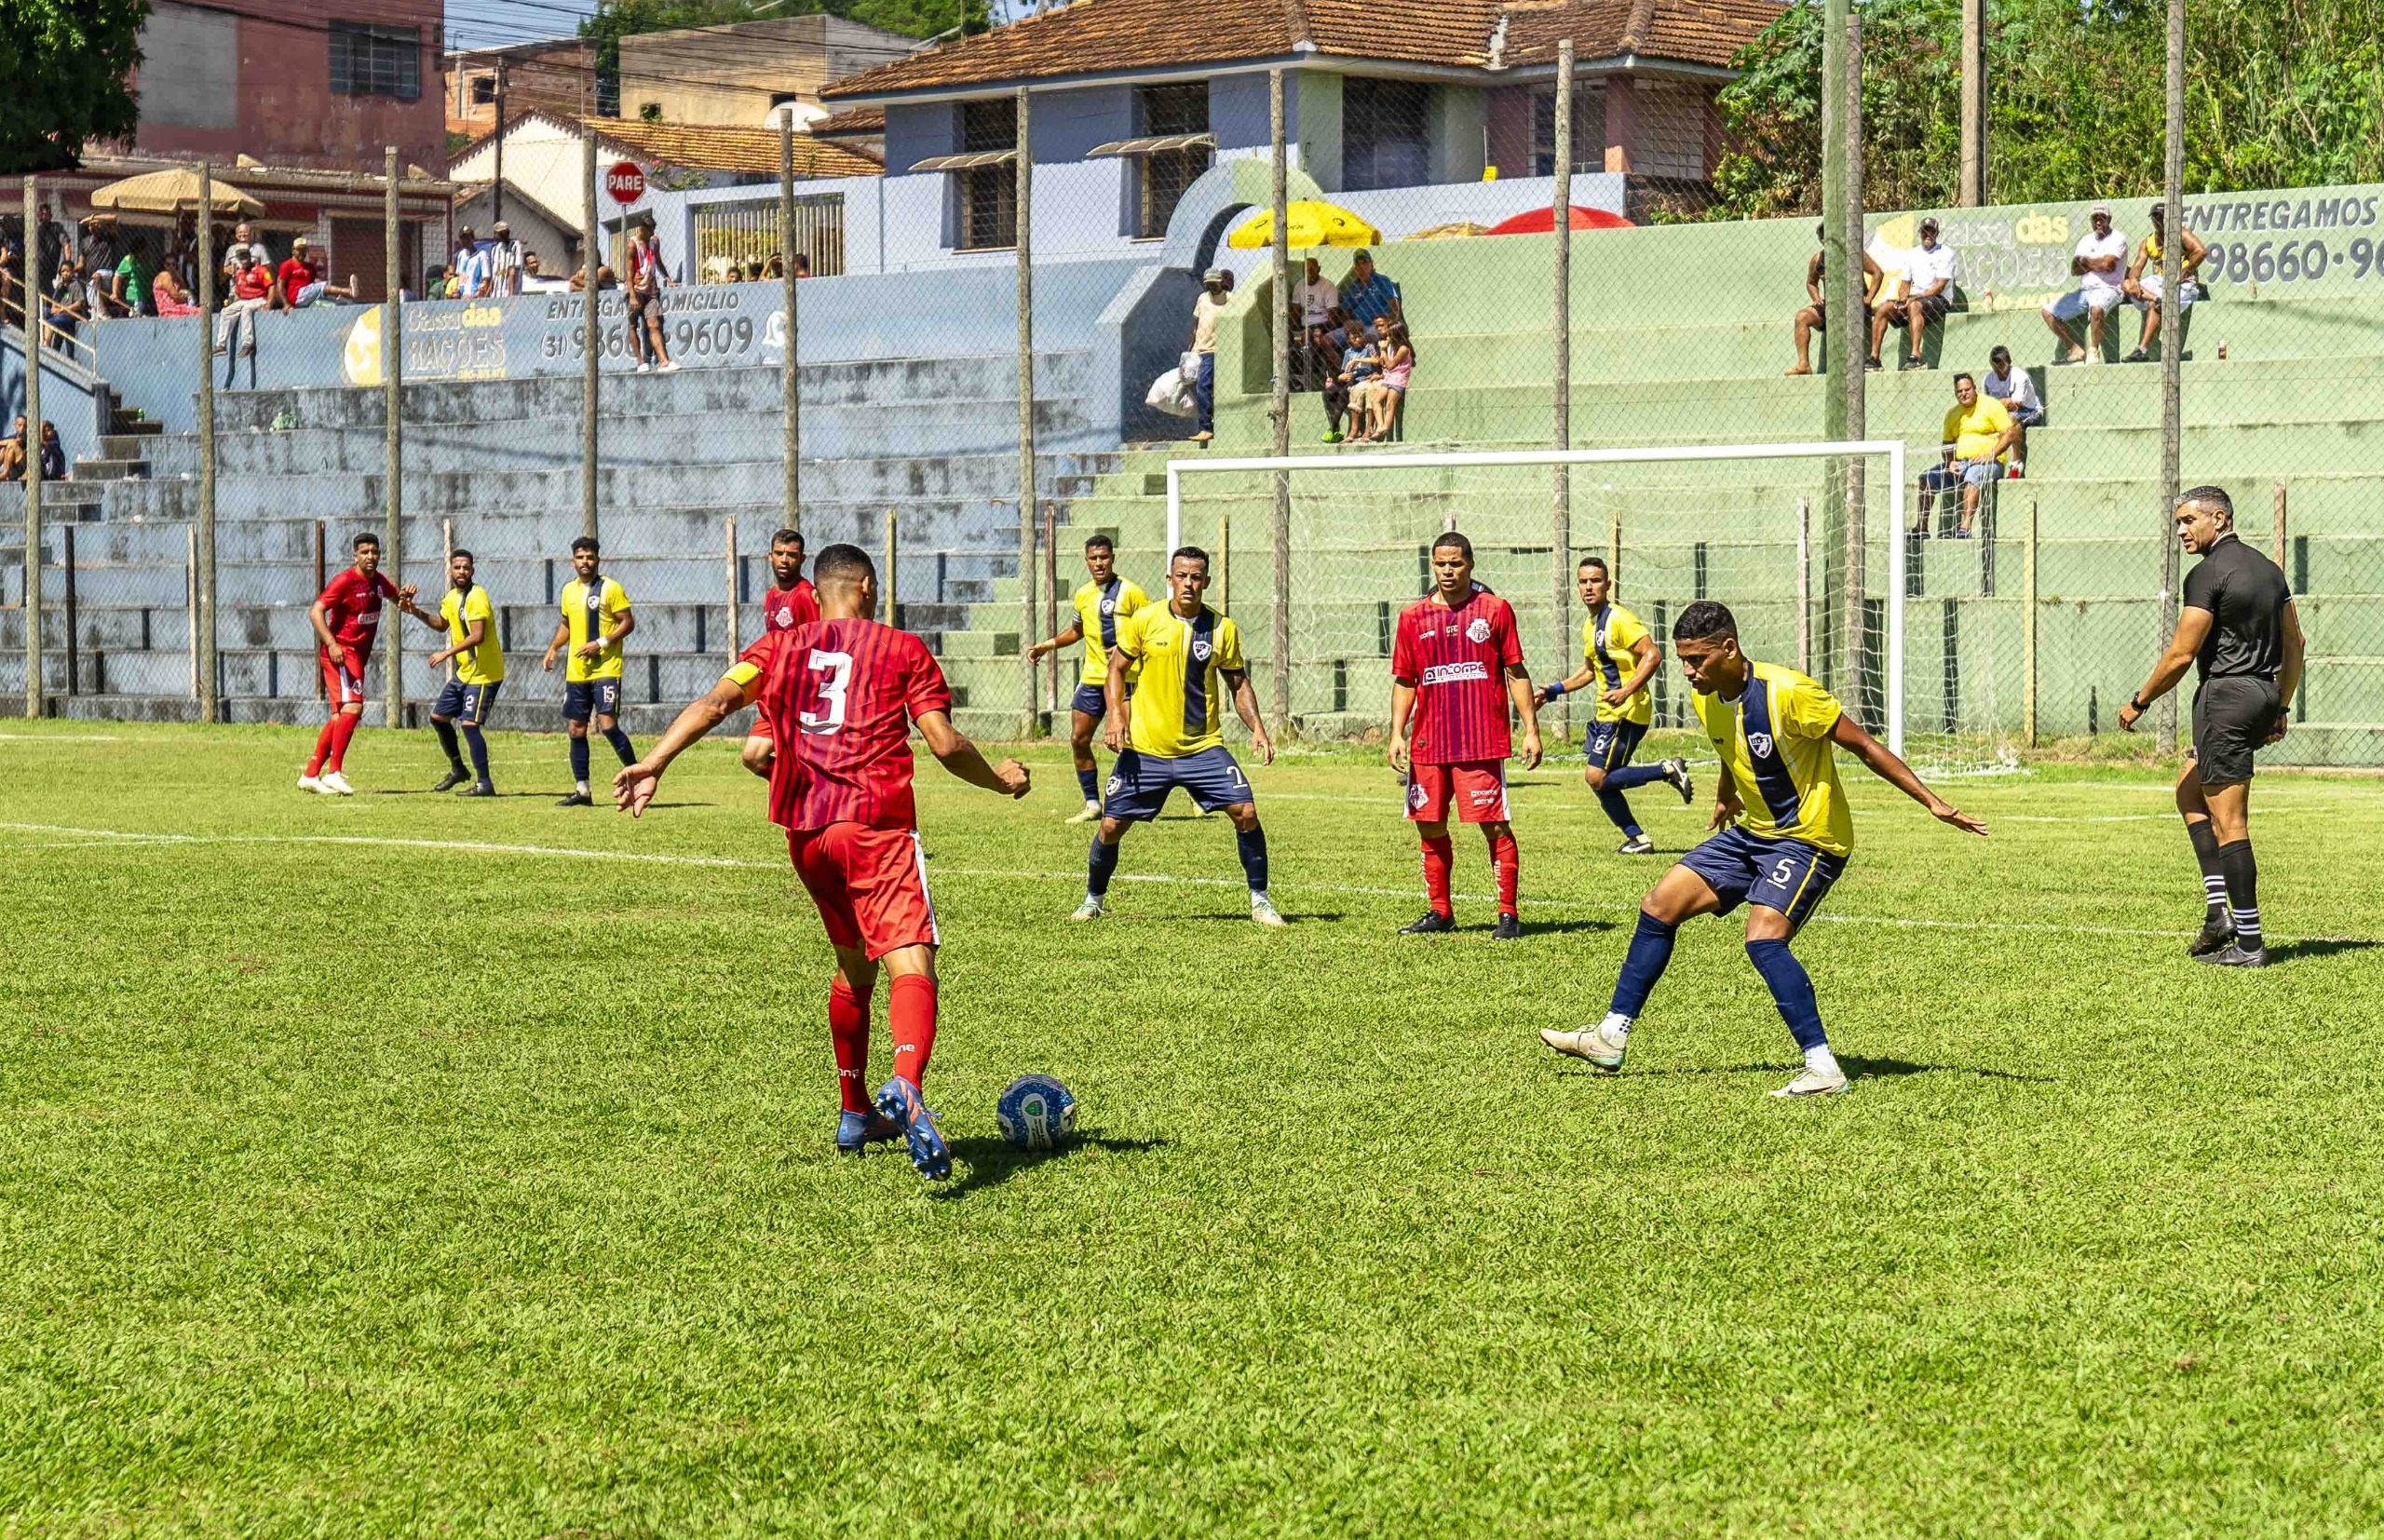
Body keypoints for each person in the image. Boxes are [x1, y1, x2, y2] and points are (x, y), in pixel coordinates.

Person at [616, 543, 1031, 1177]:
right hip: (874, 825)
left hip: (808, 836)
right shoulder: (901, 649)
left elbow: (721, 713)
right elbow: (944, 744)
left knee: (854, 966)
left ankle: (855, 1111)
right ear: (864, 586)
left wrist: (655, 762)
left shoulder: (777, 649)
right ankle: (908, 1083)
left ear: (817, 589)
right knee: (911, 957)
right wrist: (1002, 781)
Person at [1540, 601, 1988, 1097]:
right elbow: (1733, 748)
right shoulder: (1707, 695)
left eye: (1697, 660)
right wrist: (1725, 794)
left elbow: (1864, 746)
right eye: (1683, 660)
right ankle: (1611, 1035)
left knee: (1763, 939)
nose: (1687, 671)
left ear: (1729, 648)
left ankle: (1823, 1068)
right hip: (1753, 834)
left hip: (1809, 839)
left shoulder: (1789, 692)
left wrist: (1934, 803)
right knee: (1658, 905)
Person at [2118, 487, 2303, 967]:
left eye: (2188, 521)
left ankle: (2249, 944)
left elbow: (2181, 653)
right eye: (2178, 523)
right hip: (2262, 693)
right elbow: (2296, 643)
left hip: (2224, 697)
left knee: (2231, 823)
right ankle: (2219, 910)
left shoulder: (2207, 575)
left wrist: (2140, 701)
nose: (2181, 531)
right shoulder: (2269, 569)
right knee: (2188, 789)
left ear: (2218, 519)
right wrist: (2279, 706)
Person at [1074, 546, 1282, 925]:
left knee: (1246, 812)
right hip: (1146, 750)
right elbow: (1115, 670)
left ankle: (1261, 901)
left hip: (1202, 749)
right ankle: (1093, 899)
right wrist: (1117, 717)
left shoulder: (1222, 628)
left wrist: (1259, 730)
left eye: (1196, 576)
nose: (1189, 583)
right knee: (1110, 825)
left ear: (1205, 581)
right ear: (1170, 580)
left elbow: (1238, 683)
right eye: (1181, 576)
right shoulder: (1144, 620)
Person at [1388, 533, 1541, 939]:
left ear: (1470, 564)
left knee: (1494, 825)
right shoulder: (1412, 618)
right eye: (1440, 563)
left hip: (1480, 741)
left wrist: (1530, 729)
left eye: (1455, 563)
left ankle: (1508, 913)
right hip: (1429, 744)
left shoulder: (1494, 610)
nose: (1448, 570)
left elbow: (1515, 672)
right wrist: (1396, 734)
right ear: (1432, 566)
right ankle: (1441, 911)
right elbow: (1405, 680)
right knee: (1430, 825)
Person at [1539, 556, 1693, 854]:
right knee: (1601, 781)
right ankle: (1638, 839)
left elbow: (1652, 655)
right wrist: (1555, 690)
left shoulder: (1619, 619)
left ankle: (1666, 769)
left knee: (1595, 776)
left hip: (1626, 710)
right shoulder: (1590, 624)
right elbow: (1589, 671)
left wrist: (1626, 690)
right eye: (1583, 581)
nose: (1588, 587)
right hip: (1607, 712)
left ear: (1608, 584)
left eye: (1595, 580)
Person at [1028, 534, 1153, 823]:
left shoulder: (1131, 592)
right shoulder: (1083, 594)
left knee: (1129, 742)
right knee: (1078, 739)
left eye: (1104, 557)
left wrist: (1128, 651)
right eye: (1094, 558)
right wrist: (1046, 646)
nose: (1099, 563)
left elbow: (1151, 630)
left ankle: (1131, 800)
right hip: (1092, 679)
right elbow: (1076, 630)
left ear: (1113, 558)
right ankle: (1093, 803)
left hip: (1125, 679)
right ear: (1086, 561)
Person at [302, 533, 426, 795]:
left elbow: (397, 600)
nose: (371, 557)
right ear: (355, 556)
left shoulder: (379, 582)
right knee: (354, 707)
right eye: (365, 552)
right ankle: (334, 772)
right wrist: (332, 643)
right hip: (342, 653)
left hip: (357, 655)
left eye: (374, 552)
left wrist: (405, 597)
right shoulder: (345, 580)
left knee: (339, 716)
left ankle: (310, 775)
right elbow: (316, 611)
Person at [543, 536, 639, 806]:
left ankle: (639, 777)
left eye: (590, 557)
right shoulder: (568, 591)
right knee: (576, 728)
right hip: (576, 671)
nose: (585, 562)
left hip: (606, 667)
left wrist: (602, 643)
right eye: (580, 557)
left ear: (598, 559)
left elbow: (628, 623)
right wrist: (553, 648)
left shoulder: (610, 588)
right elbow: (567, 624)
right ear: (572, 561)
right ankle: (582, 790)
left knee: (607, 725)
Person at [402, 548, 506, 796]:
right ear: (450, 569)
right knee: (438, 718)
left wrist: (445, 654)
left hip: (484, 673)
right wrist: (415, 611)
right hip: (465, 673)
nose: (462, 571)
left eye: (466, 567)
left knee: (469, 725)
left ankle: (485, 784)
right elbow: (442, 624)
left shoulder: (477, 597)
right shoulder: (451, 598)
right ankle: (459, 769)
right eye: (457, 567)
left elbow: (477, 636)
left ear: (473, 570)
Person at [738, 527, 822, 778]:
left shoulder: (806, 596)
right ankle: (803, 786)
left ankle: (811, 794)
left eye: (792, 555)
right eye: (779, 553)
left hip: (802, 694)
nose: (785, 560)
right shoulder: (771, 596)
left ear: (802, 559)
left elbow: (820, 642)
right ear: (769, 556)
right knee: (753, 757)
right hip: (778, 693)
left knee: (803, 755)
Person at [1917, 372, 2019, 539]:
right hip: (1961, 464)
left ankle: (1965, 526)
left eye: (1967, 389)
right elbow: (1947, 444)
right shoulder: (1952, 414)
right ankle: (1921, 528)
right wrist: (1950, 462)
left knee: (1974, 475)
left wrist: (1991, 455)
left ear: (1974, 389)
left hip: (1990, 463)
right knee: (1926, 478)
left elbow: (2009, 434)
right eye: (1959, 391)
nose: (1964, 394)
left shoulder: (1990, 405)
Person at [1788, 221, 1884, 376]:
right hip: (1830, 307)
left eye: (1830, 235)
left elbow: (1877, 273)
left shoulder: (1854, 254)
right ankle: (1803, 365)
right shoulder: (1818, 259)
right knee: (1801, 317)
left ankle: (1861, 364)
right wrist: (1816, 298)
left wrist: (1868, 298)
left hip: (1854, 306)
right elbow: (1811, 283)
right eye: (1823, 236)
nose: (1827, 239)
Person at [2043, 202, 2129, 364]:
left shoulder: (2118, 238)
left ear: (2109, 219)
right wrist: (2097, 262)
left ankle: (2093, 351)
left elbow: (2109, 265)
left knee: (2097, 308)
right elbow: (2075, 269)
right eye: (2095, 218)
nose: (2098, 221)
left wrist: (2087, 262)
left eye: (2102, 218)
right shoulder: (2085, 240)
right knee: (2048, 311)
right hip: (2084, 291)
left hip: (2109, 288)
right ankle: (2074, 348)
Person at [1870, 216, 1957, 371]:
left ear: (1937, 233)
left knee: (1915, 305)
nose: (1928, 234)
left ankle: (1915, 357)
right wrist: (1902, 299)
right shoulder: (1912, 254)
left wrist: (1913, 299)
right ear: (1920, 233)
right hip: (1915, 298)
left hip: (1939, 300)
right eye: (1925, 231)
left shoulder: (1946, 253)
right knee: (1883, 308)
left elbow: (1939, 287)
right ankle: (1874, 358)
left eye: (1931, 231)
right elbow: (1905, 285)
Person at [2122, 205, 2206, 364]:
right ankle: (2156, 298)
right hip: (2159, 281)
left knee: (2157, 305)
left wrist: (2185, 270)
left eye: (2162, 216)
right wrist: (2133, 279)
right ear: (2152, 219)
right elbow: (2137, 267)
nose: (2159, 220)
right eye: (2156, 217)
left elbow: (2201, 251)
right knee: (2125, 284)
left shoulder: (2181, 233)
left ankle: (2142, 350)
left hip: (2182, 284)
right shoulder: (2148, 241)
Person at [625, 220, 678, 373]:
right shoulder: (633, 245)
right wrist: (632, 295)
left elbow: (658, 261)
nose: (653, 232)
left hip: (651, 290)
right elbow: (628, 272)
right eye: (650, 229)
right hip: (636, 289)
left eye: (654, 228)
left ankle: (664, 361)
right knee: (633, 324)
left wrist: (667, 278)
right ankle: (641, 362)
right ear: (642, 228)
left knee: (654, 325)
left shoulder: (654, 242)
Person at [1980, 344, 2042, 466]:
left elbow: (2015, 405)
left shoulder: (2019, 376)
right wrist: (2002, 403)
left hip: (2030, 410)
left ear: (2008, 361)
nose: (1998, 368)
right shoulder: (1988, 380)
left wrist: (1997, 405)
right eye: (1994, 365)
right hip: (2003, 413)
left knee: (2012, 419)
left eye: (2001, 364)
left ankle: (2015, 460)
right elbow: (1987, 406)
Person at [1354, 319, 1412, 443]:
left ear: (1396, 335)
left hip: (1398, 379)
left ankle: (1385, 427)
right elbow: (1383, 363)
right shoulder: (1391, 346)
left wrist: (1383, 351)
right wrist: (1380, 354)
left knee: (1390, 405)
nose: (1388, 337)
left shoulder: (1403, 349)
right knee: (1376, 401)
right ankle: (1380, 426)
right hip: (1389, 377)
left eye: (1390, 335)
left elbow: (1390, 365)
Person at [1189, 267, 1228, 444]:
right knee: (1197, 387)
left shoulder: (1229, 299)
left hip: (1214, 350)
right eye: (1208, 285)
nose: (1211, 288)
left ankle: (1206, 427)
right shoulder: (1202, 299)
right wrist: (1190, 348)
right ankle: (1205, 423)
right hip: (1199, 350)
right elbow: (1196, 325)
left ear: (1220, 282)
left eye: (1213, 284)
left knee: (1203, 386)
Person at [214, 251, 274, 357]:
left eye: (245, 258)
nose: (244, 261)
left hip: (259, 298)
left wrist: (269, 302)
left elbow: (271, 286)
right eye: (241, 259)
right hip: (244, 299)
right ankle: (221, 345)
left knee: (246, 309)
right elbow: (238, 292)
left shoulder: (261, 270)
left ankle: (248, 344)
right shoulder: (240, 272)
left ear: (250, 258)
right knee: (225, 311)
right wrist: (232, 304)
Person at [276, 237, 356, 309]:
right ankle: (348, 291)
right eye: (299, 250)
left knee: (335, 302)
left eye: (304, 250)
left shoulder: (309, 266)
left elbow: (313, 286)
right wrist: (286, 304)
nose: (302, 253)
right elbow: (280, 286)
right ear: (293, 250)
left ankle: (348, 304)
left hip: (309, 295)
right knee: (321, 287)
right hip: (297, 297)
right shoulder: (287, 265)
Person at [1340, 248, 1402, 330]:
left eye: (1364, 262)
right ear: (1355, 267)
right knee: (1327, 339)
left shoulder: (1382, 281)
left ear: (1371, 263)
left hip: (1377, 326)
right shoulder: (1352, 287)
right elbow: (1345, 313)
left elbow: (1394, 305)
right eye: (1358, 263)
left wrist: (1389, 322)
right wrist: (1349, 325)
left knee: (1369, 338)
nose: (1361, 266)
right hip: (1356, 328)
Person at [452, 227, 491, 300]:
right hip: (462, 297)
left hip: (476, 297)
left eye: (467, 238)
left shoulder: (481, 255)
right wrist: (457, 290)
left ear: (472, 239)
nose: (464, 241)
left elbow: (486, 280)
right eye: (462, 238)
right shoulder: (461, 255)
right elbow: (459, 276)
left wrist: (477, 294)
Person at [487, 222, 524, 297]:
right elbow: (494, 276)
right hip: (495, 294)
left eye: (497, 234)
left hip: (508, 294)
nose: (495, 236)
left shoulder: (515, 246)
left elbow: (512, 272)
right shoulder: (495, 249)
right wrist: (487, 295)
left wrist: (511, 297)